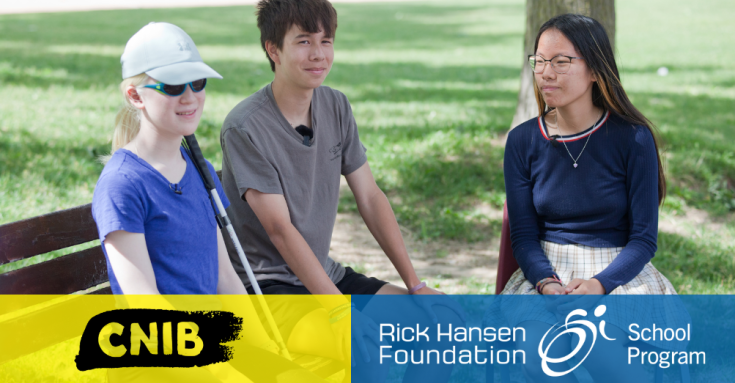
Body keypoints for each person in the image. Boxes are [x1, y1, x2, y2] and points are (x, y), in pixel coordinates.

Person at [218, 0, 464, 381]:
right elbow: (281, 232)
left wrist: (416, 285)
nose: (318, 54)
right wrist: (339, 311)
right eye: (303, 42)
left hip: (324, 275)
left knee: (442, 324)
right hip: (271, 291)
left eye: (326, 40)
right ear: (273, 49)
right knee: (374, 351)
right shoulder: (245, 127)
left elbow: (369, 197)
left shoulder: (335, 106)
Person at [91, 21, 325, 383]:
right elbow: (145, 304)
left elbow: (225, 276)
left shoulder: (197, 170)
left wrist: (267, 354)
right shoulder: (123, 184)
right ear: (136, 96)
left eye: (197, 83)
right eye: (171, 87)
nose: (189, 97)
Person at [500, 13, 679, 382]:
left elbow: (644, 238)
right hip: (547, 275)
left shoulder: (634, 138)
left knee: (614, 364)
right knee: (538, 358)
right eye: (540, 61)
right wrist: (547, 284)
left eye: (562, 62)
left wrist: (598, 286)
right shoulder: (522, 142)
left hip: (617, 275)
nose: (547, 72)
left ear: (596, 70)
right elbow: (522, 236)